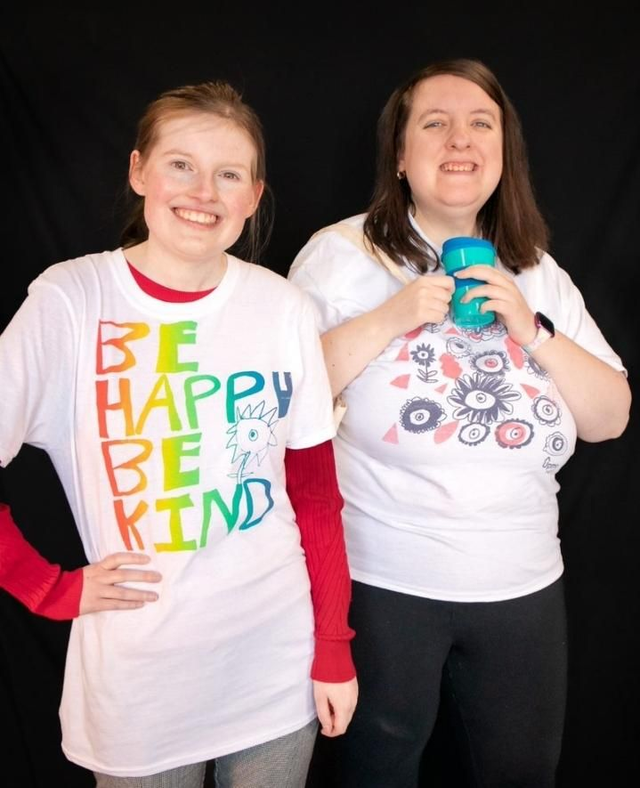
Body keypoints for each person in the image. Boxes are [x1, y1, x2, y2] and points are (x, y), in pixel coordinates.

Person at [0, 79, 357, 787]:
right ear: (139, 172)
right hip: (141, 682)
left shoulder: (282, 308)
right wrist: (46, 589)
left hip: (275, 661)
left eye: (229, 174)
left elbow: (316, 497)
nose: (203, 192)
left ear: (253, 197)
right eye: (181, 165)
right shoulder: (71, 301)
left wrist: (334, 646)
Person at [288, 58, 631, 787]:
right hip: (383, 584)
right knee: (376, 774)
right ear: (399, 156)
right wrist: (392, 316)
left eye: (481, 124)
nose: (460, 140)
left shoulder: (538, 270)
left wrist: (532, 329)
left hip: (523, 587)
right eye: (435, 123)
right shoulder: (341, 255)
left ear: (504, 154)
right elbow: (283, 400)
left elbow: (611, 418)